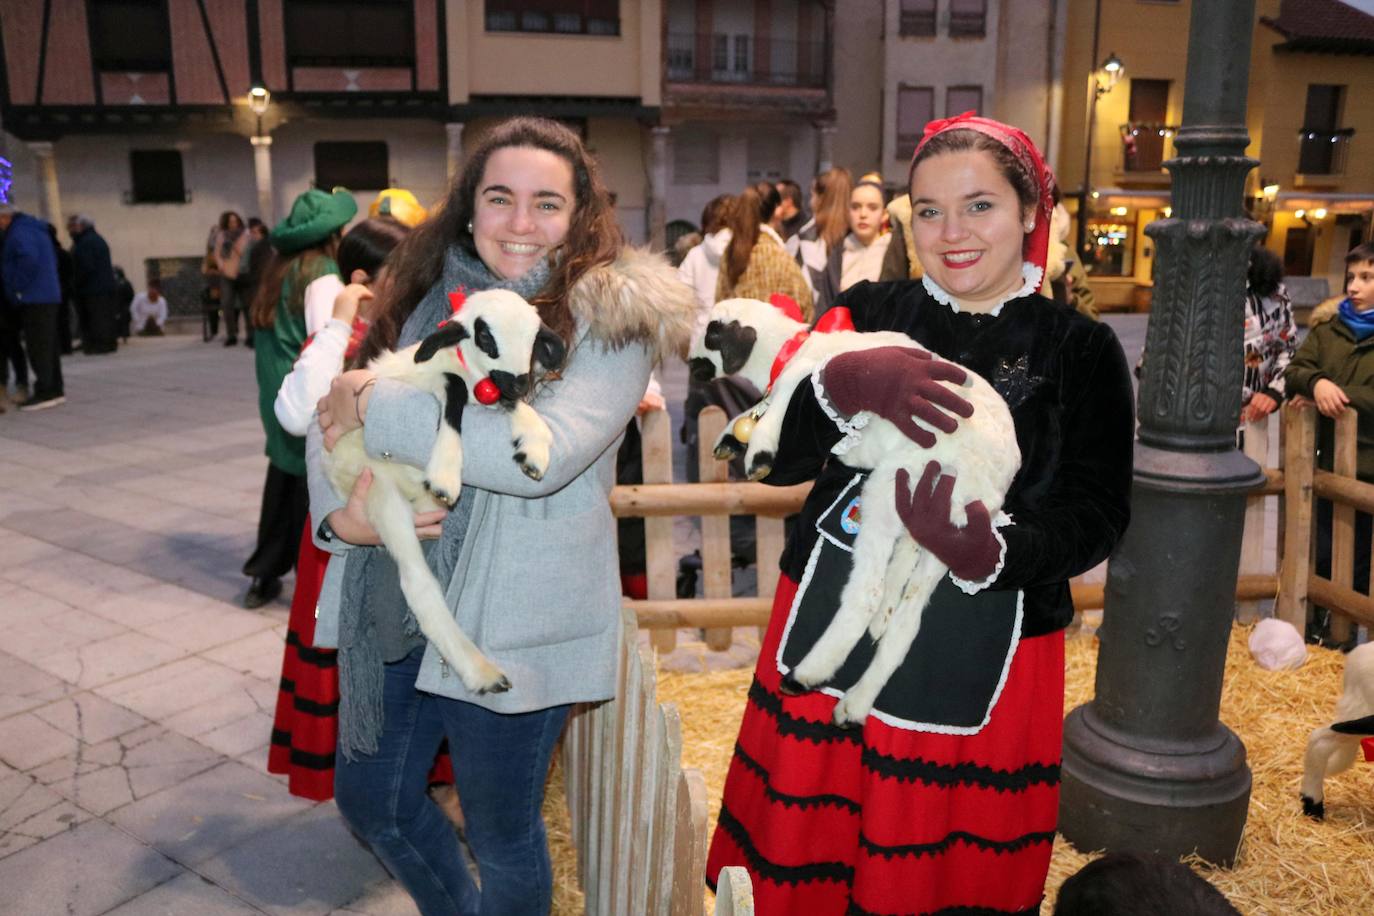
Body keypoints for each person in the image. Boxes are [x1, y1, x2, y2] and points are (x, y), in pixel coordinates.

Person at [704, 113, 1134, 915]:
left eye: (980, 206)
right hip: (837, 593)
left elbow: (1099, 509)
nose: (951, 232)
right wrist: (841, 390)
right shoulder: (869, 308)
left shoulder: (1078, 348)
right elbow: (780, 460)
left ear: (1031, 212)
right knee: (818, 846)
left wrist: (993, 550)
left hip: (990, 629)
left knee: (934, 862)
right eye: (928, 211)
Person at [305, 116, 694, 916]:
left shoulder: (611, 322)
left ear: (581, 212)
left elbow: (538, 458)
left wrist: (377, 399)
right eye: (500, 198)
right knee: (371, 802)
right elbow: (330, 428)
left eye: (546, 203)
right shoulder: (417, 295)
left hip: (515, 616)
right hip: (394, 597)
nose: (521, 224)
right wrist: (340, 525)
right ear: (469, 207)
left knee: (503, 834)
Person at [267, 215, 412, 801]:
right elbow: (296, 413)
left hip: (406, 529)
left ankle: (409, 781)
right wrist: (340, 322)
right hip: (341, 534)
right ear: (362, 279)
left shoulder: (415, 332)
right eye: (401, 275)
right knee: (350, 659)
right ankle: (364, 784)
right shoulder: (338, 341)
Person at [241, 187, 357, 610]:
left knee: (284, 479)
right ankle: (317, 578)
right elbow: (328, 341)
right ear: (333, 233)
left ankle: (264, 573)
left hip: (274, 386)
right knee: (313, 486)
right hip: (302, 393)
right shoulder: (324, 274)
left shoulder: (278, 267)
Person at [1284, 240, 1374, 648]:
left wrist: (1336, 393)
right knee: (1321, 549)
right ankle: (1319, 630)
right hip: (1326, 464)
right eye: (1351, 277)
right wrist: (1316, 382)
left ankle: (1350, 634)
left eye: (1367, 278)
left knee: (1359, 560)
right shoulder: (1327, 329)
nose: (1354, 286)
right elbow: (1297, 369)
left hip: (1368, 467)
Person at [715, 181, 813, 319]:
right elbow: (803, 304)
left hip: (734, 337)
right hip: (773, 338)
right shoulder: (779, 256)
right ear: (777, 211)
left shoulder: (731, 252)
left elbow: (720, 302)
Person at [0, 204, 64, 411]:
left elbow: (28, 258)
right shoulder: (34, 228)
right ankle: (55, 389)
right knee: (49, 346)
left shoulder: (20, 232)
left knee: (39, 347)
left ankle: (45, 391)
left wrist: (17, 286)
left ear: (5, 217)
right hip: (45, 295)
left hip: (34, 297)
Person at [813, 179, 893, 320]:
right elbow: (824, 308)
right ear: (848, 212)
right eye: (855, 207)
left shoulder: (893, 255)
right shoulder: (837, 255)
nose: (863, 214)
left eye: (872, 207)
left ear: (884, 214)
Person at [1240, 245, 1295, 427]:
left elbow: (1287, 348)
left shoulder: (1272, 289)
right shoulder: (1189, 286)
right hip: (1194, 418)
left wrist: (1274, 392)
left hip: (1253, 419)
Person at [790, 167, 853, 295]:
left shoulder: (807, 237)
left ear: (821, 198)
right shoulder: (856, 236)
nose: (810, 202)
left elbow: (802, 288)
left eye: (812, 194)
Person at [68, 214, 118, 354]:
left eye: (73, 226)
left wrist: (76, 282)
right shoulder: (96, 239)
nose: (70, 230)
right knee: (104, 317)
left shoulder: (86, 243)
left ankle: (98, 345)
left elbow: (85, 266)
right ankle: (107, 342)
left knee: (96, 318)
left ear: (81, 226)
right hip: (102, 286)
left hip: (92, 288)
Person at [210, 211, 250, 346]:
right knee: (227, 304)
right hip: (227, 273)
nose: (233, 224)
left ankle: (250, 335)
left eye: (235, 221)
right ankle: (231, 334)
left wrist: (236, 247)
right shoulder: (221, 235)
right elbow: (216, 252)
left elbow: (247, 252)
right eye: (230, 221)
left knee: (247, 305)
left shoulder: (246, 234)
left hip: (243, 273)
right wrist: (220, 265)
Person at [113, 266, 135, 341]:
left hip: (123, 305)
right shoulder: (113, 282)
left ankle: (124, 335)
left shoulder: (125, 282)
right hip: (116, 305)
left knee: (124, 320)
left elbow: (130, 294)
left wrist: (127, 303)